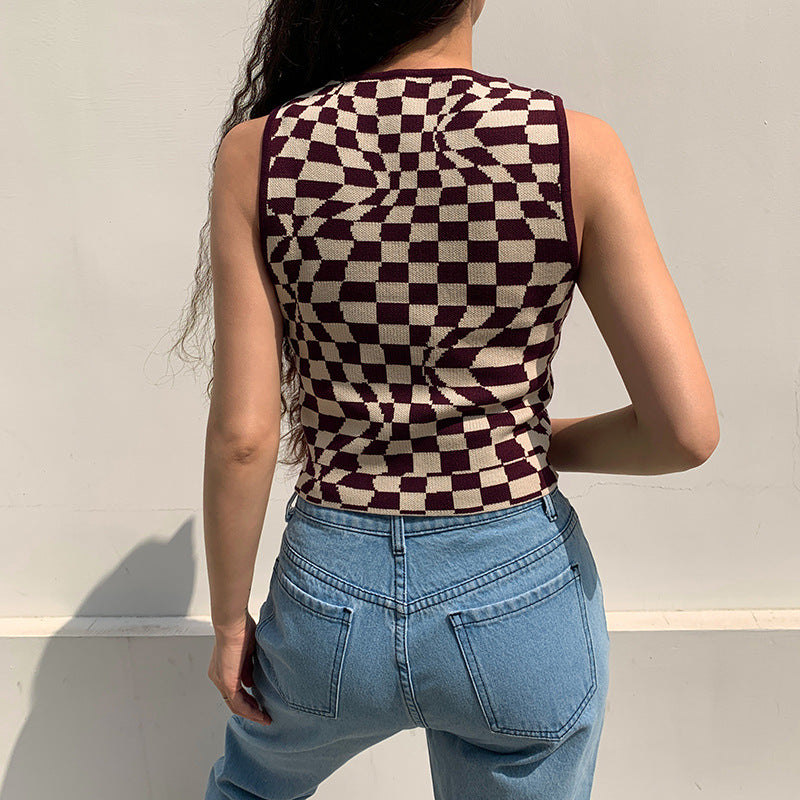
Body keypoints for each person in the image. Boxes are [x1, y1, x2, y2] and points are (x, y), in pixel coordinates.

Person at [169, 0, 719, 797]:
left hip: (330, 594)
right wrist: (529, 442)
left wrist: (228, 624)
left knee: (251, 787)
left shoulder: (259, 154)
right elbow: (685, 432)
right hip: (518, 592)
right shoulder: (575, 148)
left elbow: (245, 435)